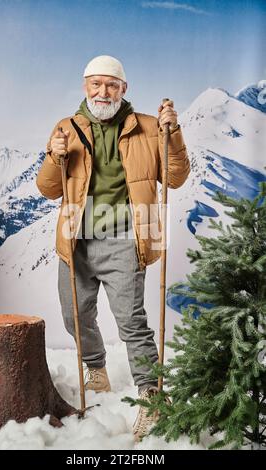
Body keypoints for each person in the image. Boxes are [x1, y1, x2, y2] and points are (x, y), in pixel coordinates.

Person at [36, 55, 190, 441]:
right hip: (77, 239)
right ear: (85, 86)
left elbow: (176, 178)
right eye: (95, 84)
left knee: (131, 321)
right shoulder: (65, 129)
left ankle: (152, 397)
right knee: (74, 315)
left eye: (111, 85)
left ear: (124, 89)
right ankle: (96, 367)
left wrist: (175, 135)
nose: (103, 92)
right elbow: (48, 188)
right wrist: (54, 157)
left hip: (127, 237)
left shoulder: (151, 128)